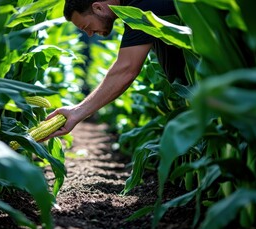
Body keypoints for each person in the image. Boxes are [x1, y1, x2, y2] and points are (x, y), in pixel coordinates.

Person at [41, 0, 186, 141]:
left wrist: (78, 111)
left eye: (86, 27)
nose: (90, 34)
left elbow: (127, 68)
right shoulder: (134, 8)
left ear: (97, 8)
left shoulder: (142, 5)